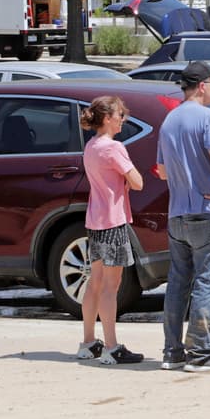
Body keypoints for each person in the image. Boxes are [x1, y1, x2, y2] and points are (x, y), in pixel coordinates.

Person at [156, 61, 210, 372]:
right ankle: (200, 354)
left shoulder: (169, 120)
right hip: (206, 212)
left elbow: (162, 171)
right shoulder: (208, 117)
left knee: (177, 284)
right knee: (206, 283)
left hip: (177, 215)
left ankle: (172, 353)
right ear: (202, 86)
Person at [77, 96, 145, 365]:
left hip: (95, 221)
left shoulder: (91, 146)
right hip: (113, 222)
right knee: (110, 287)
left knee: (94, 282)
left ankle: (88, 342)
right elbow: (138, 182)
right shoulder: (114, 148)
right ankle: (111, 347)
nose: (122, 120)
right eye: (119, 115)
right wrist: (128, 178)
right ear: (107, 118)